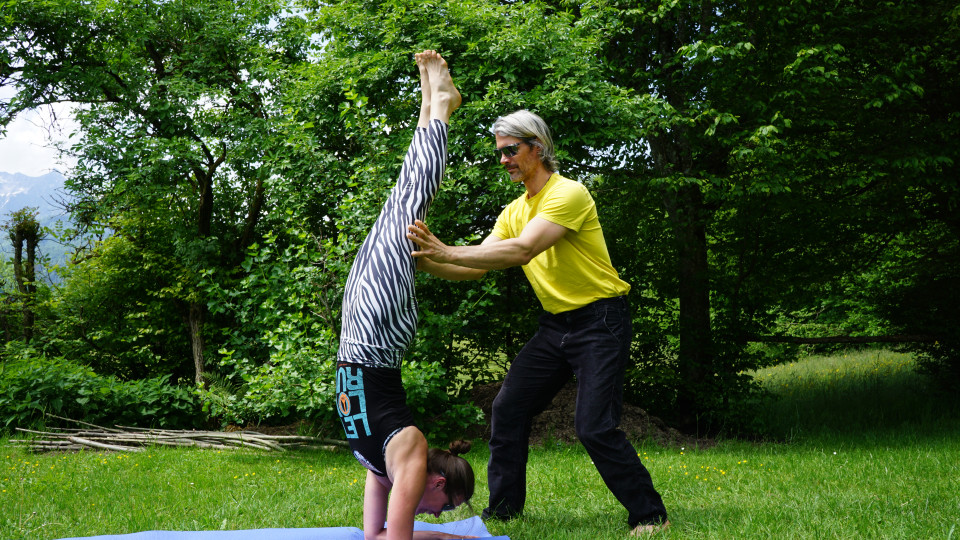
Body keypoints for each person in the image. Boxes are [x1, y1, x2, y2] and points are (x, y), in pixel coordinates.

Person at [406, 110, 670, 535]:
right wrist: (424, 262)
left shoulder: (569, 194)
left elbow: (523, 251)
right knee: (508, 408)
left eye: (511, 150)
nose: (504, 160)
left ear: (538, 148)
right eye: (500, 153)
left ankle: (650, 515)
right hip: (556, 325)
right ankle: (505, 509)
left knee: (593, 426)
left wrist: (447, 249)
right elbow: (476, 267)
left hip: (600, 319)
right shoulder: (514, 210)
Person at [335, 50, 477, 540]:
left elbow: (376, 537)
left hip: (361, 337)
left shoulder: (386, 468)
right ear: (437, 481)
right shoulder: (411, 455)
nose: (433, 514)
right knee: (408, 206)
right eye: (443, 508)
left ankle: (434, 102)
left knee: (401, 201)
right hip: (373, 339)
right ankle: (438, 105)